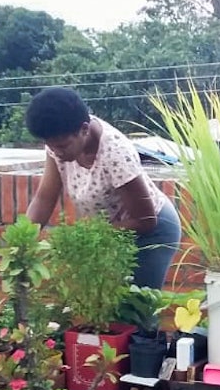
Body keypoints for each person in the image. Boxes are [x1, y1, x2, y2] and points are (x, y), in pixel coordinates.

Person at [23, 86, 181, 290]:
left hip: (152, 232)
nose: (55, 152)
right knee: (101, 307)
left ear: (84, 129)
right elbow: (44, 198)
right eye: (49, 145)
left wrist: (86, 239)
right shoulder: (59, 138)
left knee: (136, 309)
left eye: (61, 146)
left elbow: (145, 220)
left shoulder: (115, 153)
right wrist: (23, 242)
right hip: (110, 233)